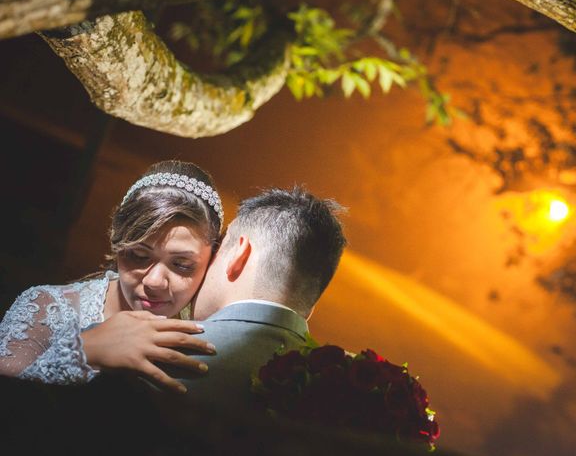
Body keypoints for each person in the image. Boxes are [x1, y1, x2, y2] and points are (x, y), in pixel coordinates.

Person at [0, 160, 220, 392]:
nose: (154, 282)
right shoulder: (47, 307)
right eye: (138, 255)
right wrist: (84, 351)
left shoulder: (211, 334)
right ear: (117, 241)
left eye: (182, 264)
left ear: (211, 259)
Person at [161, 186, 347, 410]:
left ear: (239, 255)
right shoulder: (352, 387)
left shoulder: (156, 353)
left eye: (217, 247)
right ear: (312, 307)